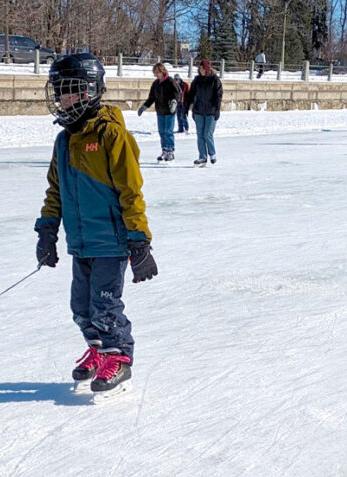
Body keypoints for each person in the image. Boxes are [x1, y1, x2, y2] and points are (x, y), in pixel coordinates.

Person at [37, 53, 158, 401]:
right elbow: (55, 192)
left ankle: (119, 358)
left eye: (69, 91)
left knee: (105, 306)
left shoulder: (111, 136)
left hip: (111, 241)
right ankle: (100, 351)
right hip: (81, 243)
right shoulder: (63, 141)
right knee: (81, 308)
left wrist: (140, 243)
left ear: (90, 92)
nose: (62, 100)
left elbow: (131, 192)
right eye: (58, 92)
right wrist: (47, 231)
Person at [138, 62, 182, 162]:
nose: (156, 75)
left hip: (169, 111)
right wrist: (144, 106)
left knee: (168, 131)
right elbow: (152, 97)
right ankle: (164, 150)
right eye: (155, 73)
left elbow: (178, 93)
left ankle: (170, 151)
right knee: (162, 132)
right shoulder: (156, 84)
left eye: (157, 72)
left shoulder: (170, 81)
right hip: (160, 111)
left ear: (162, 71)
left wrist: (174, 102)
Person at [185, 59, 223, 165]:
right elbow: (191, 94)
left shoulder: (215, 80)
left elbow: (219, 95)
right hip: (199, 111)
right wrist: (186, 108)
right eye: (199, 68)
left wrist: (217, 109)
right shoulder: (197, 80)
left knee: (207, 134)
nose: (200, 70)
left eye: (202, 68)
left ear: (206, 69)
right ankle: (202, 157)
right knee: (200, 135)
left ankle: (212, 153)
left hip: (211, 112)